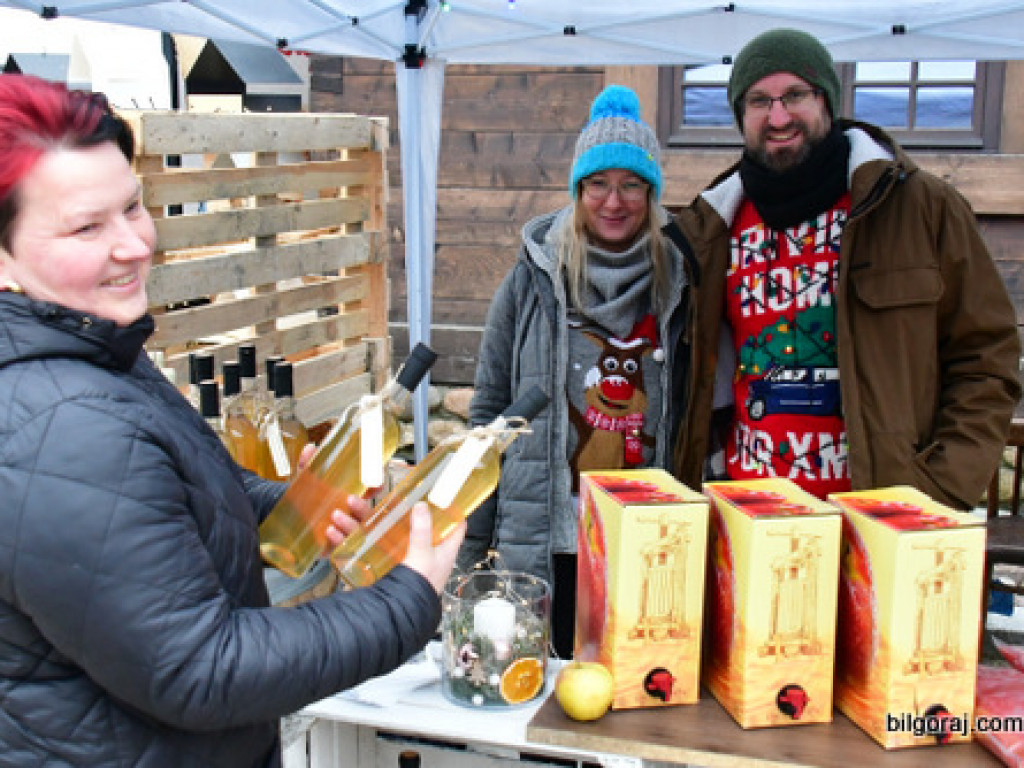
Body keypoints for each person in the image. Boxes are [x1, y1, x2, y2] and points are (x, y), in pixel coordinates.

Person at [0, 74, 464, 768]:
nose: (133, 245)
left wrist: (299, 504)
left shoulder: (92, 349)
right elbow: (203, 670)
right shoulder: (64, 423)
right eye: (86, 227)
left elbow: (170, 495)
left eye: (133, 207)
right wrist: (408, 599)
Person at [669, 28, 1020, 509]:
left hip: (880, 517)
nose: (778, 117)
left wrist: (940, 488)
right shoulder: (709, 228)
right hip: (747, 516)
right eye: (759, 101)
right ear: (740, 115)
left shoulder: (919, 207)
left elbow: (986, 358)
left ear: (827, 101)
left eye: (795, 95)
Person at [461, 85, 689, 658]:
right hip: (547, 538)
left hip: (645, 535)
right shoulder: (531, 280)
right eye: (598, 184)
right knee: (545, 682)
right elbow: (488, 415)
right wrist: (470, 541)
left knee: (635, 685)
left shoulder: (680, 281)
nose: (614, 201)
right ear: (578, 190)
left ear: (651, 193)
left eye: (631, 184)